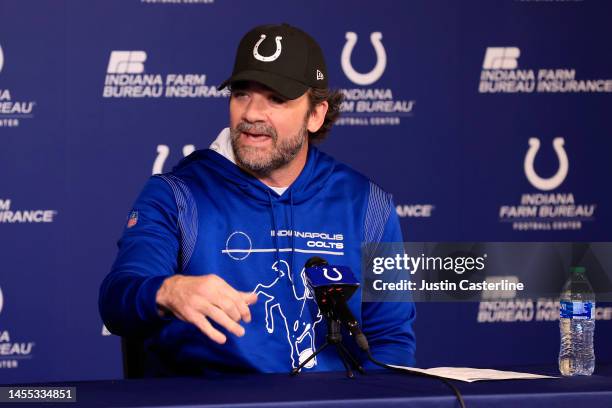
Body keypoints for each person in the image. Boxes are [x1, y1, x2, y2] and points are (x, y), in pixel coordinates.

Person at [99, 23, 416, 376]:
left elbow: (391, 342)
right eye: (241, 94)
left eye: (276, 99)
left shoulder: (367, 204)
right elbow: (117, 298)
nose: (251, 114)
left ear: (316, 114)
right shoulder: (176, 195)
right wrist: (167, 290)